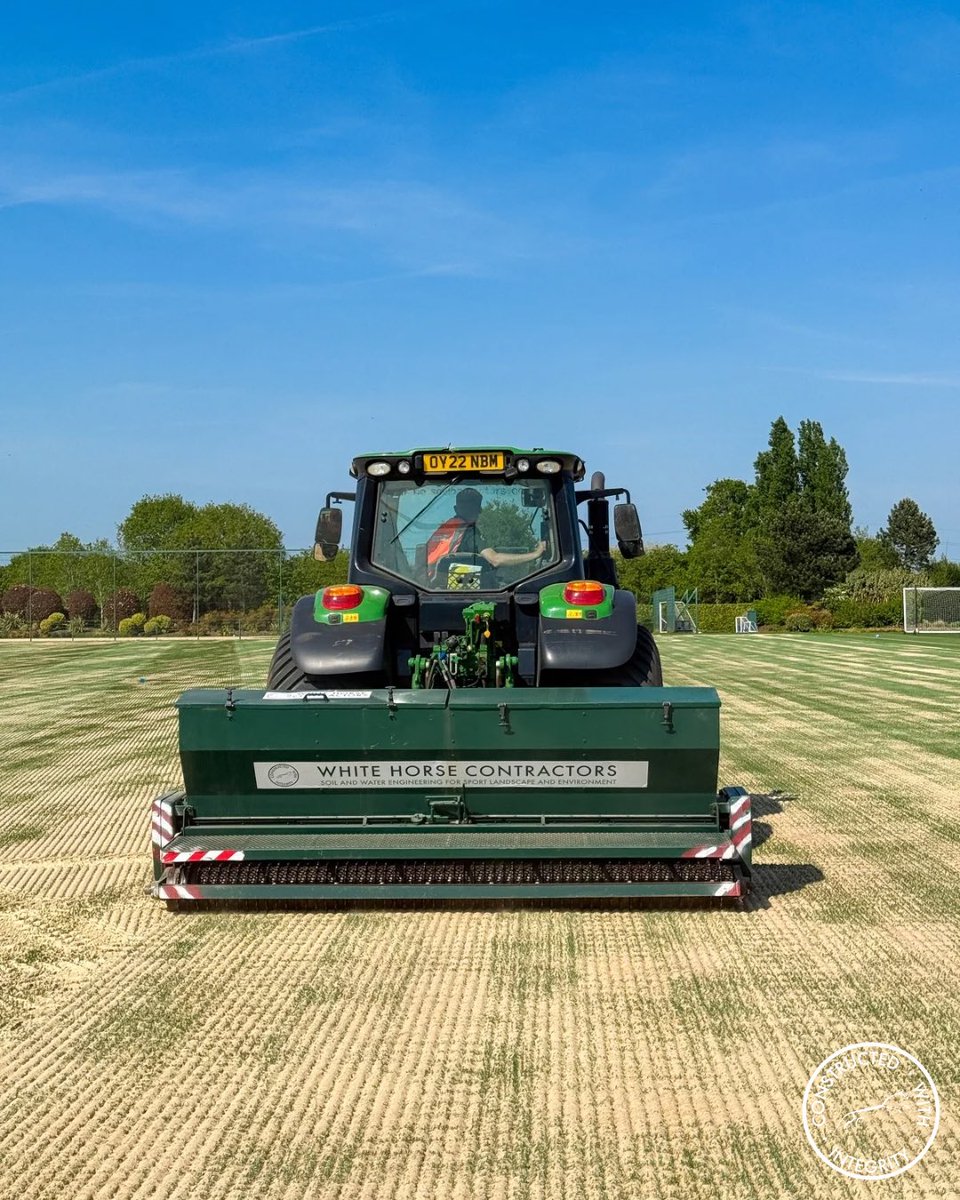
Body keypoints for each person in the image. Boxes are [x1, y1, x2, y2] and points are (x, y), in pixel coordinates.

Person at [426, 487, 546, 578]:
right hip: (452, 585)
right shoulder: (468, 531)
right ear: (479, 510)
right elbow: (495, 560)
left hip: (431, 582)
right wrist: (535, 554)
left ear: (455, 509)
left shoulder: (445, 529)